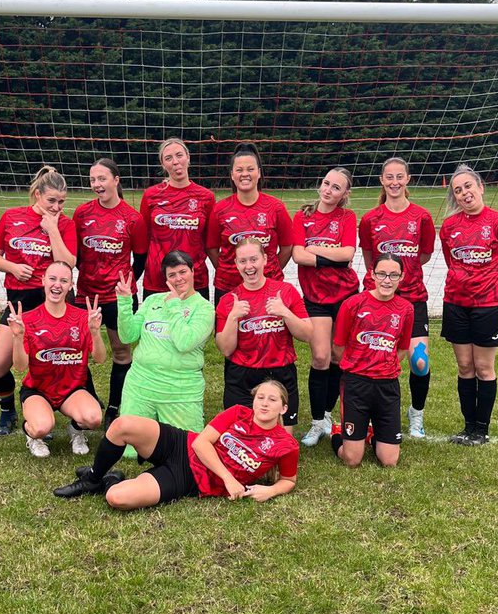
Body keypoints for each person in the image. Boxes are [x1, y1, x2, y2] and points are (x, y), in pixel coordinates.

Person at [53, 379, 299, 511]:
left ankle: (111, 480)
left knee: (117, 498)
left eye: (272, 399)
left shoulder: (285, 445)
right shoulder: (237, 413)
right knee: (122, 425)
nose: (264, 404)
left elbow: (288, 480)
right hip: (183, 445)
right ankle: (93, 478)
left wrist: (270, 490)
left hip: (188, 479)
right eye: (260, 397)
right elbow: (202, 443)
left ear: (284, 408)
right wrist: (228, 478)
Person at [0, 166, 77, 441]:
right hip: (20, 300)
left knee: (53, 360)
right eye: (51, 200)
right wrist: (12, 267)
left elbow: (68, 264)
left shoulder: (65, 224)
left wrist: (52, 230)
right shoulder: (13, 217)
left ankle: (50, 413)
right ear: (37, 194)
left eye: (61, 201)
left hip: (54, 301)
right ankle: (7, 410)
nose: (56, 206)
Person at [439, 163, 498, 445]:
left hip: (490, 306)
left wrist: (495, 288)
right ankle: (467, 428)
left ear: (480, 187)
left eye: (468, 187)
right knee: (465, 366)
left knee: (484, 368)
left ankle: (482, 430)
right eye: (458, 190)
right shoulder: (450, 226)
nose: (464, 193)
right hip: (456, 304)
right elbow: (452, 262)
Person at [359, 157, 437, 439]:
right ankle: (369, 414)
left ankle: (416, 415)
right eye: (389, 177)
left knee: (419, 362)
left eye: (399, 177)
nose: (394, 182)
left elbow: (424, 255)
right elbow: (370, 259)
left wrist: (406, 274)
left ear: (408, 179)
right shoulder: (370, 218)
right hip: (379, 298)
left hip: (413, 296)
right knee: (374, 356)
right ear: (382, 180)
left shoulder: (422, 216)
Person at [72, 157, 148, 426]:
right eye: (92, 179)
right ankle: (89, 397)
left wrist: (124, 284)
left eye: (102, 178)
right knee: (77, 350)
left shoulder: (132, 218)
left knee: (121, 351)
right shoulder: (81, 213)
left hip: (118, 297)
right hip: (85, 295)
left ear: (116, 180)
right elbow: (77, 255)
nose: (97, 184)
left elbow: (139, 259)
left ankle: (115, 407)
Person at [114, 250, 215, 445]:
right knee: (130, 449)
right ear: (166, 278)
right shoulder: (153, 300)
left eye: (182, 272)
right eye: (172, 275)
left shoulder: (204, 308)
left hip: (180, 388)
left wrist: (175, 305)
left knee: (186, 448)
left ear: (193, 271)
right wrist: (125, 302)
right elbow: (128, 336)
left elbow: (184, 342)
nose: (178, 279)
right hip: (141, 383)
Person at [6, 261, 106, 458]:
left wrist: (95, 332)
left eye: (63, 280)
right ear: (43, 281)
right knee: (42, 427)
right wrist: (17, 338)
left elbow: (101, 358)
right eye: (52, 279)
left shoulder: (82, 317)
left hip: (72, 389)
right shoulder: (28, 319)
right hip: (38, 389)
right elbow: (19, 367)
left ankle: (76, 431)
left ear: (70, 285)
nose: (57, 285)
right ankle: (33, 436)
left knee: (93, 418)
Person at [214, 239, 313, 433]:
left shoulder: (286, 291)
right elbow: (225, 349)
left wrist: (285, 313)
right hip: (243, 374)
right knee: (242, 439)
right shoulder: (228, 300)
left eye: (254, 259)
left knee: (282, 443)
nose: (249, 266)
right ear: (236, 264)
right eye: (243, 261)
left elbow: (307, 334)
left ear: (265, 259)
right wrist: (233, 317)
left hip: (280, 371)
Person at [291, 166, 359, 447]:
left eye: (336, 187)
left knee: (337, 356)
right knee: (319, 357)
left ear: (345, 194)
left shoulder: (347, 217)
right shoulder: (303, 216)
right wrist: (331, 256)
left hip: (345, 294)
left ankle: (329, 416)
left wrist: (314, 250)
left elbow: (348, 254)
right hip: (316, 297)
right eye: (326, 183)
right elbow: (297, 256)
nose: (329, 190)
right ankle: (317, 421)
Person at [331, 254, 414, 469]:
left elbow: (403, 348)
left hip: (387, 386)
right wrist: (359, 366)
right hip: (356, 384)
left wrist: (383, 366)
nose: (387, 280)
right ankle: (337, 434)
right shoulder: (353, 304)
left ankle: (372, 435)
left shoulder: (406, 309)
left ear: (401, 277)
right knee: (352, 460)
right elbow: (338, 346)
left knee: (389, 461)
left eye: (393, 275)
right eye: (382, 274)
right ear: (372, 275)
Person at [206, 142, 294, 307]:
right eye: (239, 170)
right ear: (232, 175)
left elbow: (287, 247)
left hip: (268, 285)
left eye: (250, 169)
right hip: (228, 286)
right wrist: (229, 270)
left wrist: (270, 269)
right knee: (228, 332)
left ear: (259, 173)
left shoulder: (276, 207)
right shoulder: (220, 209)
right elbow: (211, 248)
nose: (244, 174)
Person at [139, 137, 215, 300]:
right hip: (157, 280)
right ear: (163, 164)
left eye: (179, 155)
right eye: (168, 158)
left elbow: (210, 242)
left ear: (188, 157)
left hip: (194, 280)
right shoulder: (151, 195)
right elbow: (144, 238)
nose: (175, 161)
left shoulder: (206, 197)